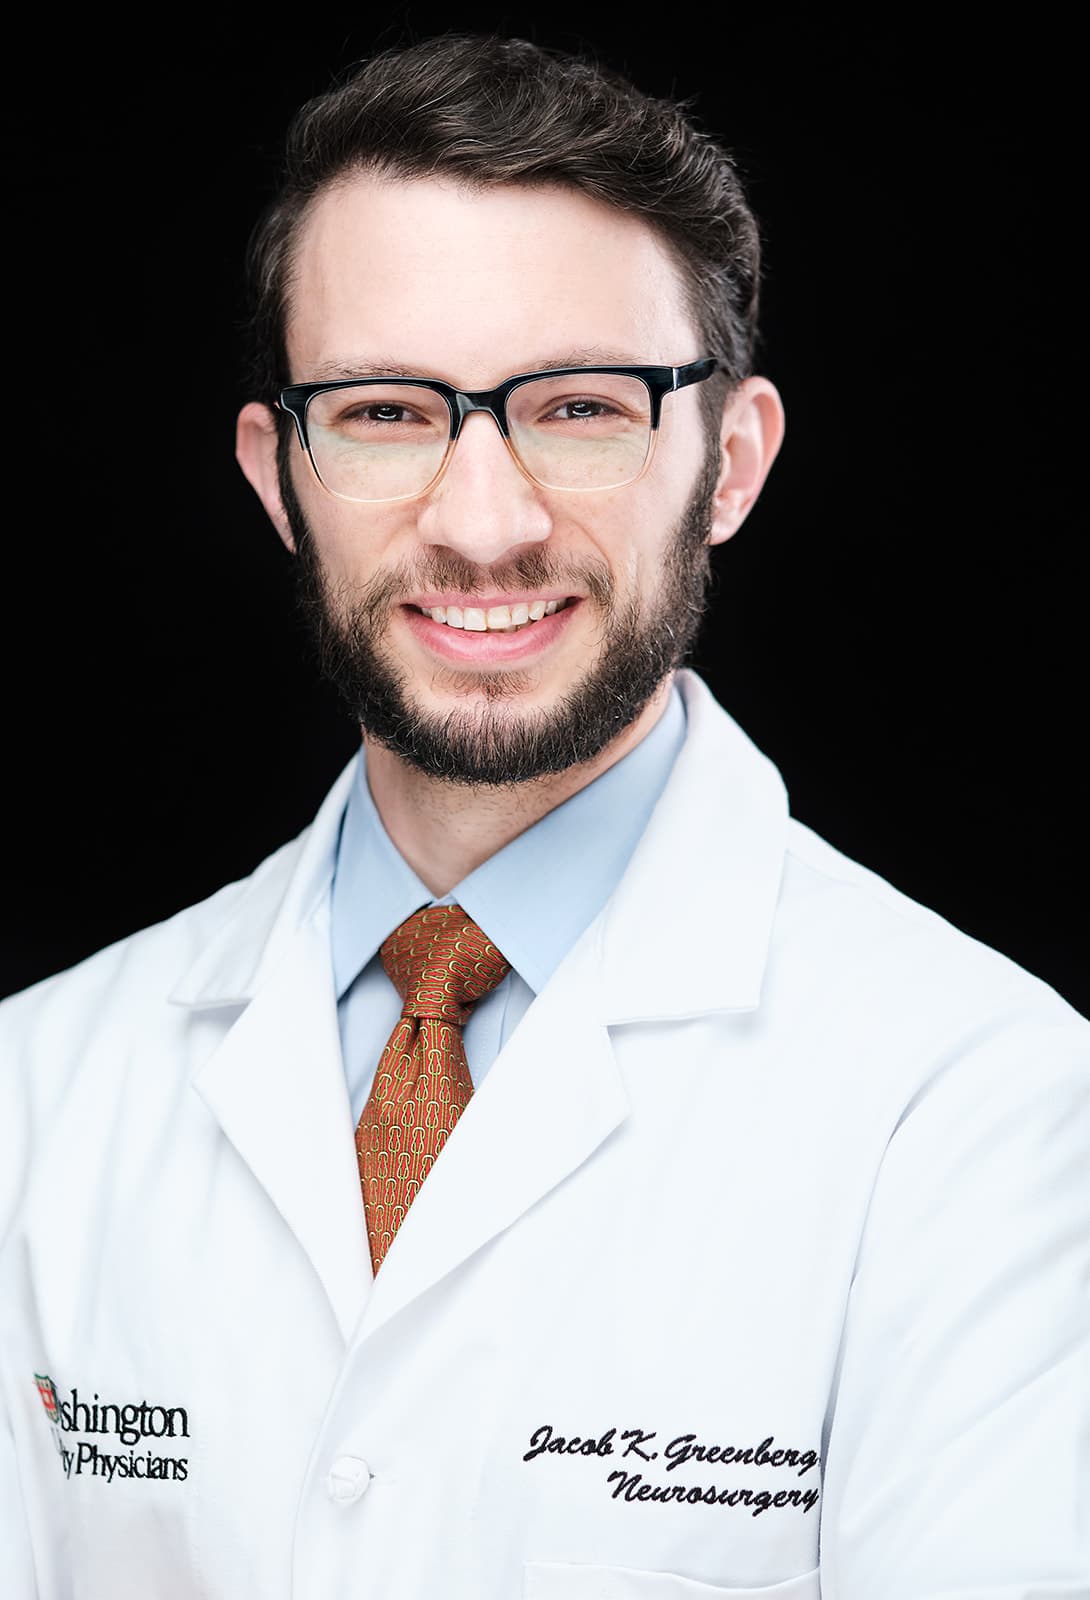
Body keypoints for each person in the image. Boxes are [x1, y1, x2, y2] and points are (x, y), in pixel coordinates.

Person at [1, 32, 1086, 1600]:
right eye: (384, 411)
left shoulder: (978, 1110)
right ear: (277, 474)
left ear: (729, 462)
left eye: (578, 406)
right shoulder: (42, 1091)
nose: (483, 522)